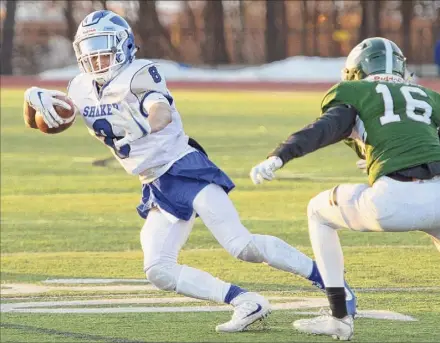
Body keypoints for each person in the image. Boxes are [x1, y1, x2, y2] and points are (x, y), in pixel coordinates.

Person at [23, 10, 356, 333]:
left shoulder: (139, 73)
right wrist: (32, 102)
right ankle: (245, 301)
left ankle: (332, 284)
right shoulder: (79, 87)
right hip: (154, 183)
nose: (96, 59)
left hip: (182, 167)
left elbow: (161, 110)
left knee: (241, 246)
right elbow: (48, 120)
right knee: (158, 270)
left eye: (103, 49)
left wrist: (143, 126)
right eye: (89, 51)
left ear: (122, 47)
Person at [249, 37, 440, 342]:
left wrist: (280, 155)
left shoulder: (356, 92)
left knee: (318, 211)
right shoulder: (424, 96)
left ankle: (339, 318)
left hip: (395, 199)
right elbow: (438, 146)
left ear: (356, 71)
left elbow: (324, 129)